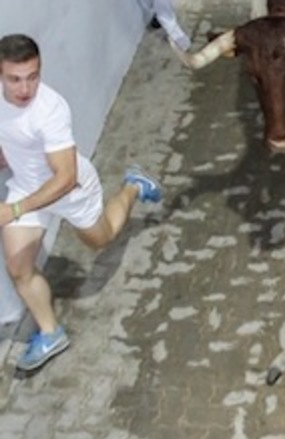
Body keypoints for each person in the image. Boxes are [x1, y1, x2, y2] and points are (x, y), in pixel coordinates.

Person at [0, 34, 163, 373]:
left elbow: (65, 177)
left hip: (70, 190)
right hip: (27, 188)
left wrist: (14, 210)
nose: (25, 88)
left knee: (100, 239)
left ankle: (133, 187)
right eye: (15, 79)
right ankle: (51, 333)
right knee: (18, 267)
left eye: (33, 76)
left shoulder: (51, 109)